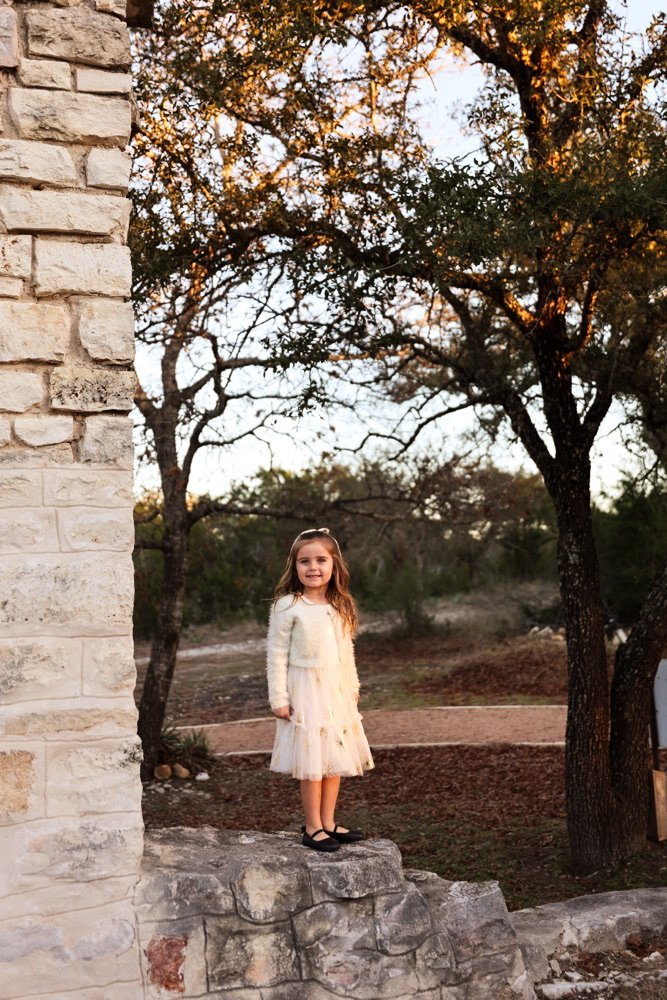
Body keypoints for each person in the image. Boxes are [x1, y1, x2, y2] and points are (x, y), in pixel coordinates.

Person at [266, 527, 374, 852]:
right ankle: (312, 826)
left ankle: (328, 822)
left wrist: (352, 688)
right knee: (313, 760)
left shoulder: (339, 606)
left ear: (334, 565)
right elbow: (276, 654)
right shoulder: (288, 606)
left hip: (335, 690)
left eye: (320, 560)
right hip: (305, 690)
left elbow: (346, 652)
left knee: (334, 754)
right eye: (304, 561)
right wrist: (278, 698)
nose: (313, 567)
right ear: (295, 566)